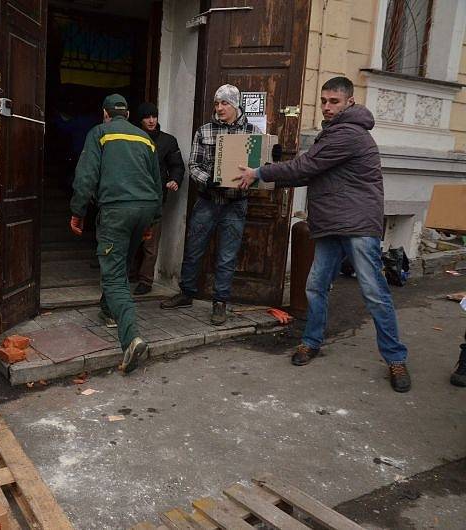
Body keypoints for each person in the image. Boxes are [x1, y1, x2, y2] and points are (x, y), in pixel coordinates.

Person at [235, 76, 411, 393]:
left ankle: (395, 358)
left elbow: (306, 168)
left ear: (349, 103)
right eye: (324, 101)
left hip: (356, 224)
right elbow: (314, 171)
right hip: (331, 222)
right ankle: (312, 341)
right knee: (316, 286)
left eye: (334, 102)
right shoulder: (332, 133)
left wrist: (259, 172)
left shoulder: (349, 134)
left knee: (374, 293)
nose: (327, 107)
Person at [70, 94, 162, 374]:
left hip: (117, 210)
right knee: (119, 262)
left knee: (113, 275)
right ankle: (108, 310)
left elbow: (86, 175)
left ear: (105, 113)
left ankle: (131, 338)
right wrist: (152, 220)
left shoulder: (100, 133)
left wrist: (78, 211)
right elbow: (156, 181)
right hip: (145, 208)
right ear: (128, 113)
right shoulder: (144, 137)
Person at [160, 84, 260, 325]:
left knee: (227, 255)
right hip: (207, 201)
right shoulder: (205, 131)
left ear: (235, 105)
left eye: (224, 103)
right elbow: (193, 166)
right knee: (193, 249)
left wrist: (258, 172)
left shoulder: (252, 132)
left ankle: (220, 302)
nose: (219, 108)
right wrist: (209, 181)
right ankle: (186, 293)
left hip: (236, 204)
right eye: (216, 103)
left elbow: (258, 169)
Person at [130, 102, 185, 295]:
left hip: (155, 199)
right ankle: (130, 273)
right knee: (130, 239)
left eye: (154, 116)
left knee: (150, 243)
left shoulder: (168, 141)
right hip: (131, 198)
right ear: (140, 119)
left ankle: (146, 280)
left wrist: (174, 180)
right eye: (147, 117)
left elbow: (177, 166)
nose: (152, 120)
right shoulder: (131, 138)